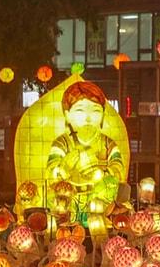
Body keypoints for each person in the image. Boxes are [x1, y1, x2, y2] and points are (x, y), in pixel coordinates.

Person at [46, 81, 126, 221]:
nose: (88, 118)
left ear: (102, 115)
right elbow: (51, 172)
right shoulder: (62, 143)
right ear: (67, 115)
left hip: (100, 199)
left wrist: (103, 173)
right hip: (70, 198)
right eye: (80, 111)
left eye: (95, 111)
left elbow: (118, 169)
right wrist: (64, 168)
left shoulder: (107, 144)